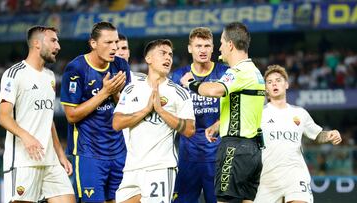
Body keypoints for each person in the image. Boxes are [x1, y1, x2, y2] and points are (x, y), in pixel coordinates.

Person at [181, 22, 265, 203]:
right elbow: (244, 109)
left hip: (235, 148)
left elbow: (214, 90)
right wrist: (219, 125)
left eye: (220, 42)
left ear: (230, 45)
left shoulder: (238, 72)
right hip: (253, 151)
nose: (219, 48)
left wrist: (190, 83)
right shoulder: (255, 72)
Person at [112, 39, 196, 203]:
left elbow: (190, 129)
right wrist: (146, 110)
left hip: (160, 167)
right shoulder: (131, 89)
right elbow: (116, 123)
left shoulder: (179, 93)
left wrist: (160, 110)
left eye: (170, 55)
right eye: (163, 53)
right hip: (132, 168)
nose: (168, 58)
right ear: (148, 59)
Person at [0, 26, 75, 203]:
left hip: (50, 161)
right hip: (24, 160)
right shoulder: (14, 74)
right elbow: (3, 116)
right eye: (53, 40)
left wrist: (60, 154)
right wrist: (27, 137)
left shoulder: (50, 76)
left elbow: (47, 120)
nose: (59, 46)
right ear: (36, 43)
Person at [60, 22, 131, 203]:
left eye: (116, 42)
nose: (114, 47)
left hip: (119, 152)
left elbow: (127, 109)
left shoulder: (121, 65)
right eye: (108, 42)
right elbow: (71, 115)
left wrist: (115, 95)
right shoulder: (75, 69)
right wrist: (105, 93)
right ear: (93, 43)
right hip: (88, 154)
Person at [254, 65, 342, 203]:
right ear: (266, 89)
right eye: (269, 82)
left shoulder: (299, 113)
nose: (274, 84)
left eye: (278, 80)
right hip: (268, 177)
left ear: (287, 84)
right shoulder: (258, 114)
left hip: (295, 174)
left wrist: (330, 134)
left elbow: (317, 135)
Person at [170, 27, 228, 203]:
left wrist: (219, 123)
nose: (202, 50)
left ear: (213, 48)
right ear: (190, 48)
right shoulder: (178, 76)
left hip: (218, 157)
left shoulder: (225, 73)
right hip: (188, 157)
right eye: (198, 46)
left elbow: (236, 107)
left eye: (206, 45)